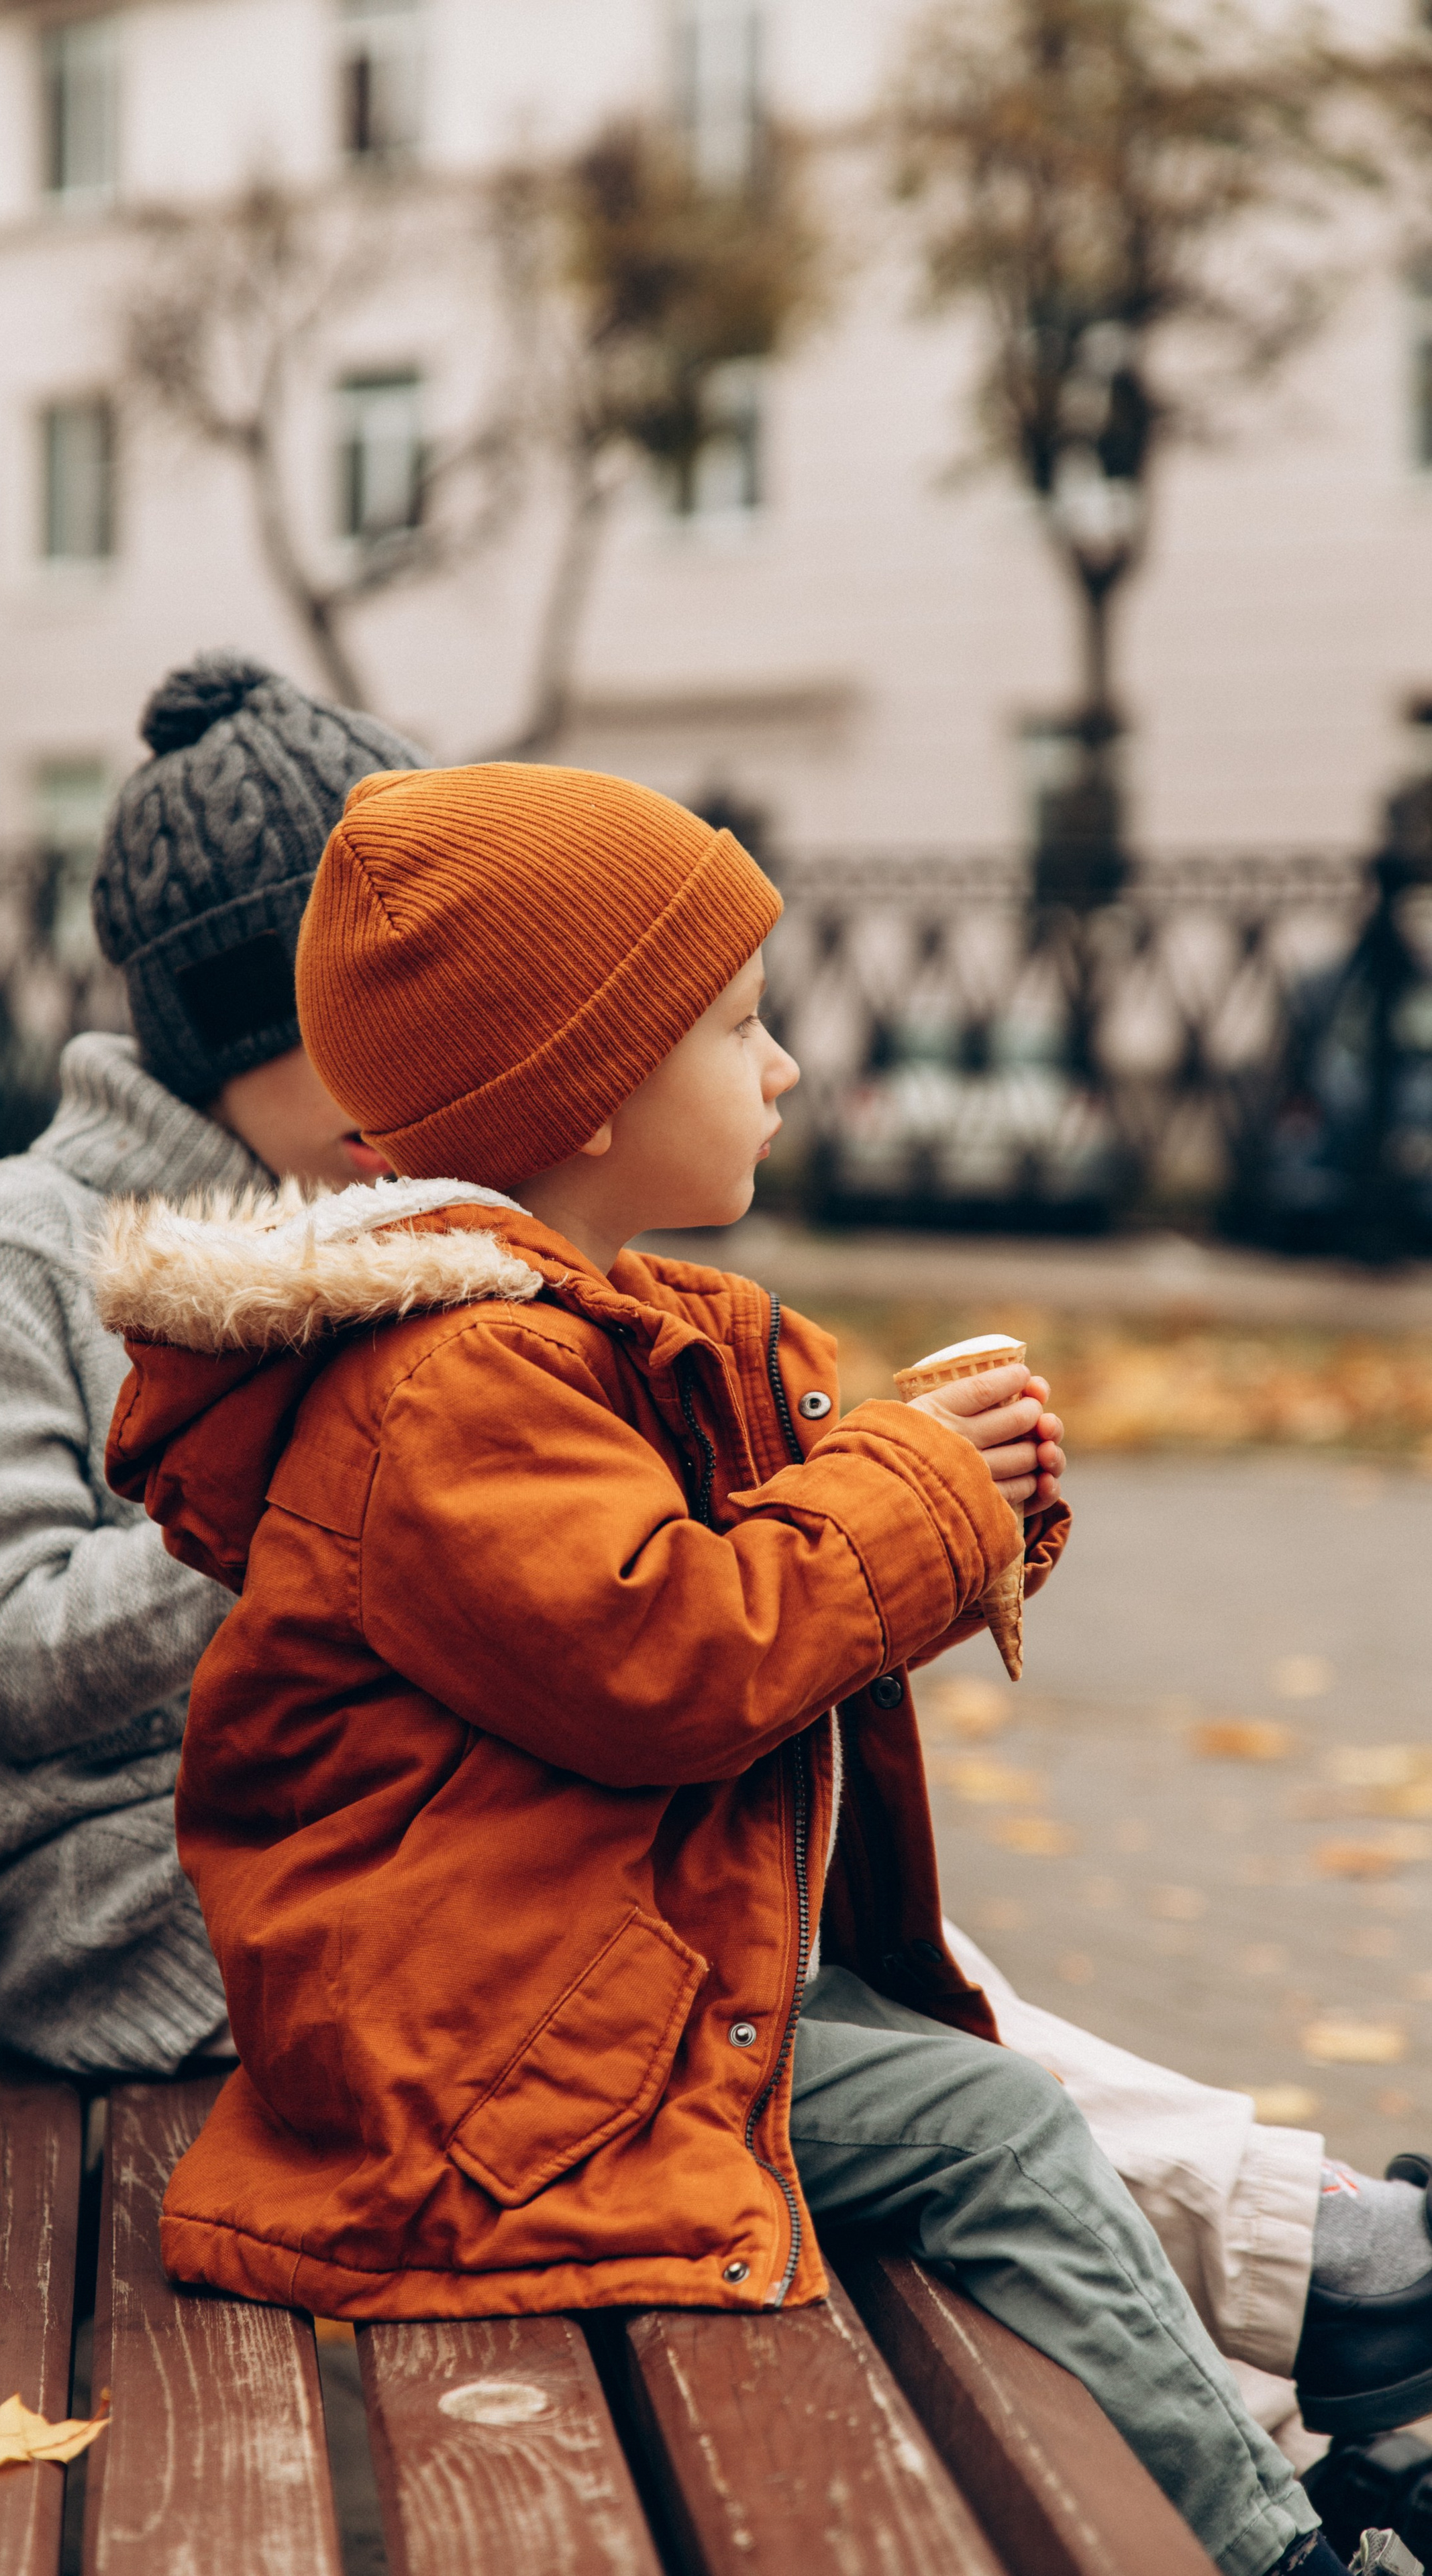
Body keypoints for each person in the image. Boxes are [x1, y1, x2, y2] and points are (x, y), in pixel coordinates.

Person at [95, 761, 1358, 2575]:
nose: (780, 1068)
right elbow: (676, 1649)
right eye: (741, 1027)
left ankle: (1315, 2386)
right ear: (587, 1093)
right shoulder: (451, 1387)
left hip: (542, 1995)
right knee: (997, 2130)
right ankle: (1273, 2549)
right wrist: (921, 1492)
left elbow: (760, 1541)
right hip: (469, 2079)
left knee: (959, 2054)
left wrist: (954, 1484)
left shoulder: (581, 1335)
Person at [0, 651, 426, 2075]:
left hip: (294, 1825)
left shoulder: (342, 1220)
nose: (409, 1067)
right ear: (224, 1019)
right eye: (352, 1014)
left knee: (718, 1872)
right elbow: (3, 1655)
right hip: (103, 1898)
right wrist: (292, 1491)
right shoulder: (20, 1256)